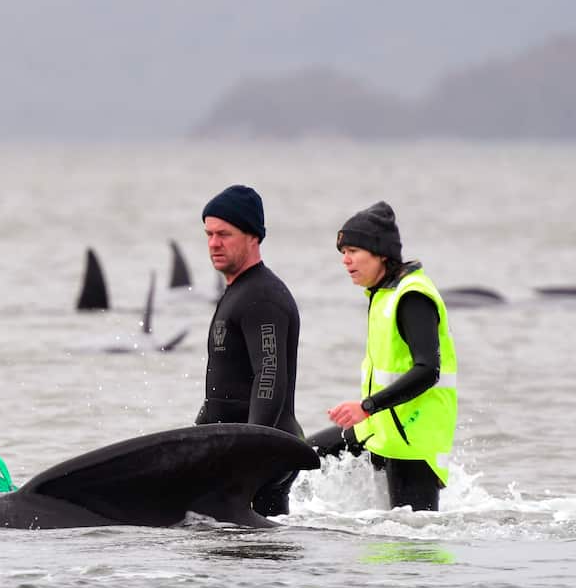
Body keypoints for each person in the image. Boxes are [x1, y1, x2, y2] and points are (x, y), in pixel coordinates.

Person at [313, 201, 458, 511]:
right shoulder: (383, 293)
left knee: (410, 544)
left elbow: (428, 370)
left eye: (353, 251)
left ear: (380, 253)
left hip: (413, 440)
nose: (346, 261)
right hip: (380, 427)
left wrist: (367, 406)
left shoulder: (412, 296)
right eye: (343, 253)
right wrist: (369, 411)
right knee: (300, 456)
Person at [196, 184, 303, 516]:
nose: (214, 243)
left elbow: (269, 374)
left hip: (261, 454)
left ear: (252, 236)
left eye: (224, 234)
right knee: (244, 556)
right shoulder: (238, 291)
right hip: (241, 450)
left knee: (253, 558)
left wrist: (252, 450)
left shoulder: (262, 299)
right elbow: (227, 381)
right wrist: (199, 433)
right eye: (209, 234)